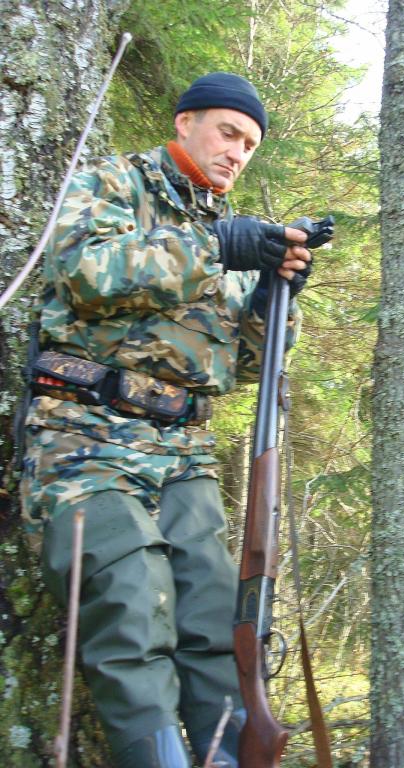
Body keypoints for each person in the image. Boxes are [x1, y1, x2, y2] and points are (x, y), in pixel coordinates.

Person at [19, 72, 312, 768]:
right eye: (228, 133)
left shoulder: (236, 234)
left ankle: (227, 755)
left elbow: (243, 366)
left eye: (250, 145)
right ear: (186, 122)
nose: (237, 153)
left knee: (213, 619)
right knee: (129, 608)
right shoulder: (116, 185)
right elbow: (83, 270)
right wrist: (218, 248)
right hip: (84, 435)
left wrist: (274, 302)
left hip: (183, 449)